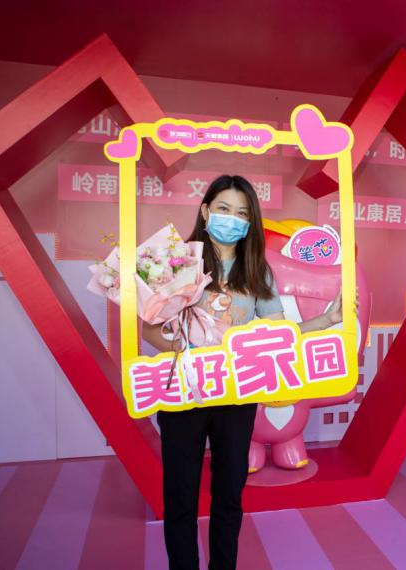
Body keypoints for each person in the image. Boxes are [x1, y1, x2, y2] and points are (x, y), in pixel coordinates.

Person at [141, 174, 347, 570]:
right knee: (180, 496)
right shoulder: (177, 261)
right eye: (223, 209)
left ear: (250, 222)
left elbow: (276, 333)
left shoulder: (257, 270)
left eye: (241, 213)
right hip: (183, 392)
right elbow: (149, 329)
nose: (231, 220)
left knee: (229, 495)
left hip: (235, 398)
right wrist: (190, 350)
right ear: (205, 211)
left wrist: (325, 320)